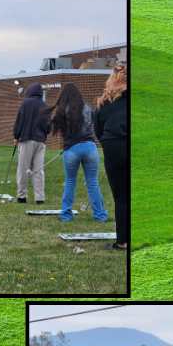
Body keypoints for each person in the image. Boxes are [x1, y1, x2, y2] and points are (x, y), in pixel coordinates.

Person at [44, 83, 107, 223]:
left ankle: (66, 214)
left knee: (70, 182)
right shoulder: (88, 108)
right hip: (90, 148)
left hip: (71, 149)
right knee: (93, 182)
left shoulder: (63, 110)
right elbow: (94, 124)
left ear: (64, 96)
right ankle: (100, 215)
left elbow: (59, 130)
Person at [94, 63, 128, 251]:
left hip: (112, 147)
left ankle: (122, 241)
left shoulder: (104, 102)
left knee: (121, 198)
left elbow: (98, 130)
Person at [12, 82, 51, 204]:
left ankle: (22, 196)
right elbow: (49, 128)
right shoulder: (46, 106)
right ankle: (39, 198)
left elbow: (20, 120)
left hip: (27, 138)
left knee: (23, 168)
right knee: (38, 170)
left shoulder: (26, 103)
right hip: (41, 141)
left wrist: (16, 136)